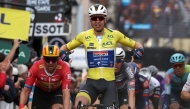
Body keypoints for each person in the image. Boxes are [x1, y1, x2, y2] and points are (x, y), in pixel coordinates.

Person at [60, 4, 144, 109]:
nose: (97, 21)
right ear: (90, 20)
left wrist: (139, 50)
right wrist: (62, 53)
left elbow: (137, 45)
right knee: (79, 104)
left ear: (105, 19)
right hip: (92, 83)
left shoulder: (115, 34)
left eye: (100, 18)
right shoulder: (84, 35)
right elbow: (64, 47)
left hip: (109, 85)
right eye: (94, 18)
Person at [19, 45, 71, 109]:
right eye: (48, 59)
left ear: (58, 59)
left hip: (57, 91)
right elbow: (26, 91)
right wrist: (21, 106)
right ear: (43, 59)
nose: (51, 62)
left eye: (53, 59)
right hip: (40, 92)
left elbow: (66, 93)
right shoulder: (36, 67)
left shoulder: (64, 68)